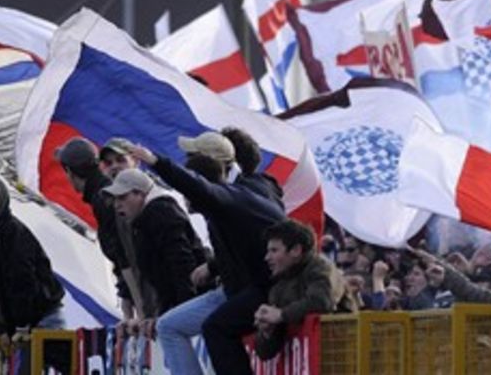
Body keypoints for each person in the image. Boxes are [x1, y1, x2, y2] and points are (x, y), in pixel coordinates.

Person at [128, 133, 285, 375]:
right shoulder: (236, 192)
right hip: (234, 286)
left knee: (216, 328)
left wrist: (156, 162)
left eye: (192, 158)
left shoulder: (234, 195)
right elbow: (238, 243)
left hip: (264, 287)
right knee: (168, 326)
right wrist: (212, 267)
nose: (186, 201)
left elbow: (199, 188)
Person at [0, 177, 65, 335]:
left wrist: (21, 323)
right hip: (13, 327)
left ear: (2, 201)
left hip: (41, 319)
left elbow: (23, 281)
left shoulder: (15, 233)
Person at [56, 137, 145, 320]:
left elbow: (126, 257)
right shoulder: (103, 194)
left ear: (69, 172)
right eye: (109, 162)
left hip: (152, 294)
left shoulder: (104, 198)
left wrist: (141, 314)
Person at [102, 168, 204, 316]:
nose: (117, 204)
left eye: (122, 197)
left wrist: (183, 311)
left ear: (141, 194)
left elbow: (181, 263)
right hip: (179, 301)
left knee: (167, 330)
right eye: (115, 199)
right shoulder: (143, 219)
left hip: (193, 298)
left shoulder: (160, 213)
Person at [254, 220, 339, 359]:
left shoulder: (321, 268)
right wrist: (267, 332)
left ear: (296, 250)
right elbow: (265, 354)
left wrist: (281, 314)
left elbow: (321, 301)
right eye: (268, 251)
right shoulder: (278, 288)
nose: (267, 258)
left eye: (274, 250)